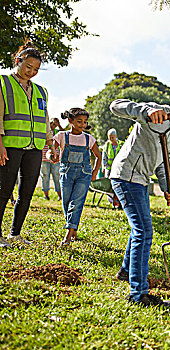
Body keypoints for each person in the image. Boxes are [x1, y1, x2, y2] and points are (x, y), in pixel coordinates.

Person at [109, 84, 170, 308]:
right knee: (143, 230)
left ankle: (126, 271)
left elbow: (163, 165)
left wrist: (168, 188)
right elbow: (116, 106)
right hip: (125, 176)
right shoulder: (155, 111)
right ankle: (138, 293)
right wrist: (145, 112)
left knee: (139, 228)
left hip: (141, 179)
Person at [0, 40, 58, 248]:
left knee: (27, 192)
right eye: (28, 67)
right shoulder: (3, 83)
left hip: (34, 148)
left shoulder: (41, 91)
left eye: (35, 69)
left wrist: (50, 143)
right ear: (18, 61)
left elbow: (45, 118)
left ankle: (15, 233)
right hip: (10, 146)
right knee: (4, 191)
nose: (31, 72)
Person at [53, 108, 101, 246]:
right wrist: (53, 157)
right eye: (79, 121)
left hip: (83, 175)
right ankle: (73, 230)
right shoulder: (62, 136)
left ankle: (68, 236)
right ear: (70, 121)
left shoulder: (88, 138)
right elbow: (53, 152)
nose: (83, 125)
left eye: (85, 122)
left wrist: (94, 173)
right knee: (66, 203)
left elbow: (98, 156)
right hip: (66, 173)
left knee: (76, 203)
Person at [40, 118, 63, 200]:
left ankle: (60, 195)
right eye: (53, 124)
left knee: (57, 176)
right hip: (44, 158)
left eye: (55, 124)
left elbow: (64, 134)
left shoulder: (57, 132)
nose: (54, 126)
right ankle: (46, 195)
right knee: (45, 176)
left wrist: (59, 125)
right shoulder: (44, 130)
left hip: (55, 158)